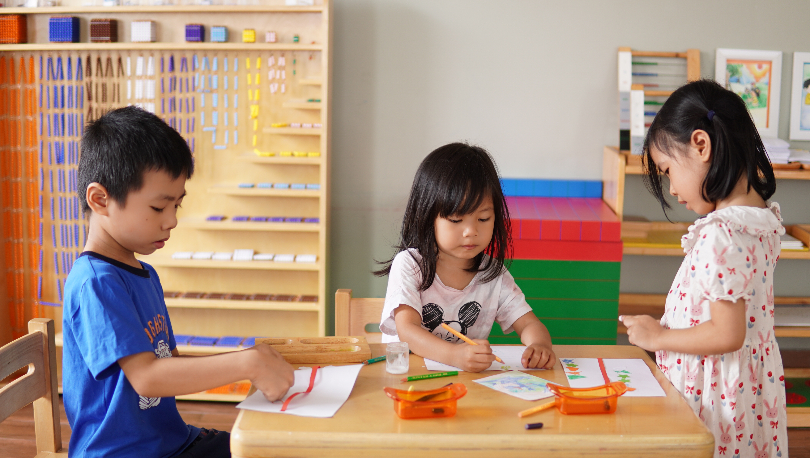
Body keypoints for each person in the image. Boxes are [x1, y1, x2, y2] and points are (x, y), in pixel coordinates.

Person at [62, 106, 295, 458]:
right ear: (100, 199)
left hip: (171, 444)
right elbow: (148, 377)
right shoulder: (95, 282)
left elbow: (168, 363)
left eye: (177, 205)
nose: (171, 221)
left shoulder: (143, 274)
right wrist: (247, 363)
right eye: (159, 208)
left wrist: (251, 361)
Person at [621, 80, 788, 458]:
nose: (671, 189)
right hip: (747, 389)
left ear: (701, 145)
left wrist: (657, 336)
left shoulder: (723, 233)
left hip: (717, 396)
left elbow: (727, 334)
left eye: (666, 171)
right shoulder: (759, 218)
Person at [374, 142, 556, 373]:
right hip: (407, 376)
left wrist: (539, 345)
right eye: (456, 220)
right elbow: (407, 331)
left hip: (462, 383)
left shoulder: (493, 274)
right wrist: (454, 355)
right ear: (428, 217)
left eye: (483, 219)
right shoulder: (410, 264)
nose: (471, 231)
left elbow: (529, 323)